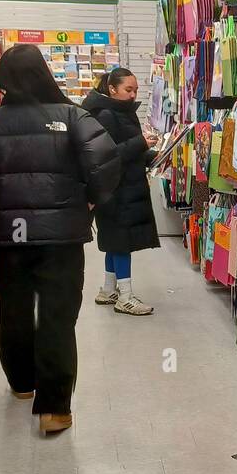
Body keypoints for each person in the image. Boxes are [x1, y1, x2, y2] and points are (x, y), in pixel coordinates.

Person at [0, 44, 120, 434]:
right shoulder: (72, 117)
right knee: (57, 316)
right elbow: (105, 162)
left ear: (3, 80)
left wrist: (5, 200)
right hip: (61, 237)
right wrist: (88, 199)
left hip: (8, 235)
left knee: (13, 308)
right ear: (44, 74)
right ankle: (53, 410)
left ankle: (21, 383)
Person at [82, 67, 161, 315]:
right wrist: (140, 144)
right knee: (121, 242)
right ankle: (125, 297)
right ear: (112, 89)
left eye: (136, 90)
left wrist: (150, 155)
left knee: (113, 240)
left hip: (121, 187)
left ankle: (108, 289)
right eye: (128, 90)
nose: (133, 95)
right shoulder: (106, 115)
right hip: (116, 189)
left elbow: (126, 151)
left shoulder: (120, 112)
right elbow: (108, 155)